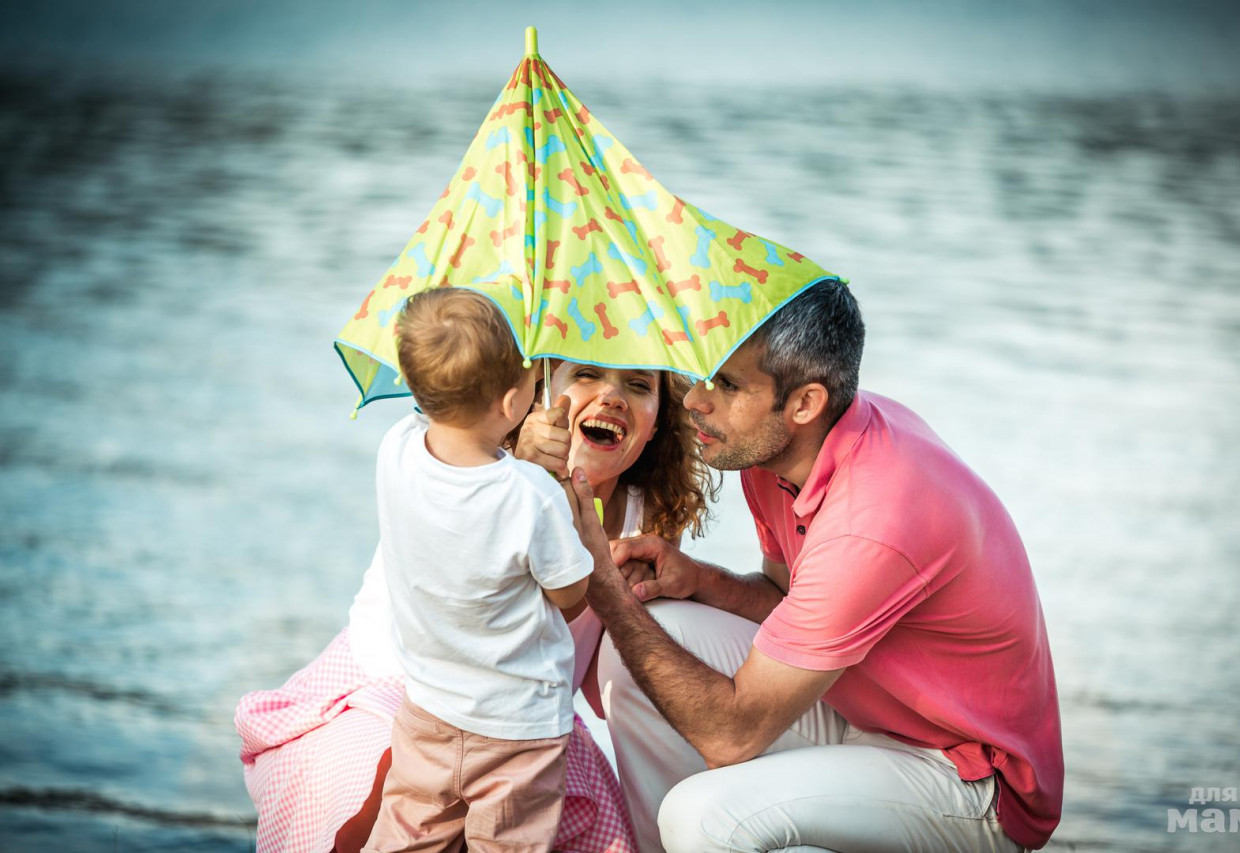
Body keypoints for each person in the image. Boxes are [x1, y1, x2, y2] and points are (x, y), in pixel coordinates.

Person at [560, 279, 1065, 852]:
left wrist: (605, 587)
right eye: (705, 375)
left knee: (703, 816)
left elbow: (731, 737)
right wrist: (702, 580)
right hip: (859, 707)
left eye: (727, 385)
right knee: (652, 633)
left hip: (964, 774)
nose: (696, 400)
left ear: (804, 404)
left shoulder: (873, 516)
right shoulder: (776, 450)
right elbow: (785, 597)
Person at [234, 346, 714, 851]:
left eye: (638, 385)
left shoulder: (649, 516)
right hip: (402, 683)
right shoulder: (472, 464)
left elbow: (607, 679)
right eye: (588, 374)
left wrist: (634, 600)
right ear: (534, 396)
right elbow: (483, 579)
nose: (612, 395)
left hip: (522, 713)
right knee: (372, 787)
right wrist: (524, 469)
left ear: (658, 423)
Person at [359, 287, 596, 852]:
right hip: (518, 729)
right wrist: (575, 518)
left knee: (406, 840)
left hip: (428, 709)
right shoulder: (532, 494)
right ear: (513, 403)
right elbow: (572, 596)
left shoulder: (395, 448)